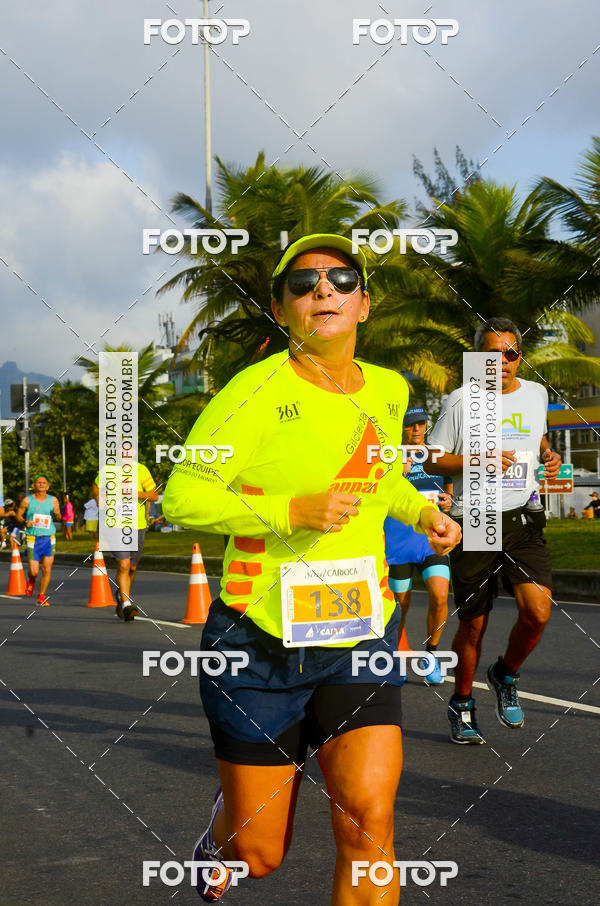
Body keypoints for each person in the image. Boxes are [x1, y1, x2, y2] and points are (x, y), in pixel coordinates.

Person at [162, 234, 461, 904]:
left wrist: (421, 515)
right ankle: (220, 839)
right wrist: (291, 508)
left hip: (360, 638)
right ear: (281, 308)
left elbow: (378, 478)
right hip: (257, 645)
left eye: (341, 279)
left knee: (370, 820)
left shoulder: (387, 388)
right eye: (302, 283)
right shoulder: (253, 393)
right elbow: (183, 495)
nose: (322, 289)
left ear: (363, 305)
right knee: (259, 854)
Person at [429, 317, 562, 744]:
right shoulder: (460, 401)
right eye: (490, 354)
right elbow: (431, 459)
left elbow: (538, 436)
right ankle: (463, 703)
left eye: (509, 353)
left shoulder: (536, 394)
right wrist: (476, 461)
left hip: (522, 516)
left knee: (538, 611)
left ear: (519, 357)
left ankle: (505, 674)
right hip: (476, 520)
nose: (500, 362)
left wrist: (549, 453)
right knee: (474, 625)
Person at [384, 406, 454, 684]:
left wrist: (449, 501)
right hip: (397, 544)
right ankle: (397, 653)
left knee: (439, 596)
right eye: (411, 425)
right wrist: (394, 473)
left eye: (421, 424)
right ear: (402, 428)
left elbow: (450, 487)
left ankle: (431, 654)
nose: (417, 430)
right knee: (400, 607)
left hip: (431, 541)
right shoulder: (389, 456)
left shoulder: (436, 454)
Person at [93, 453, 158, 622]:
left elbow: (154, 495)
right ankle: (126, 604)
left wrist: (135, 494)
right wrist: (101, 498)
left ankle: (123, 596)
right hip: (115, 525)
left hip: (137, 525)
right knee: (123, 564)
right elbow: (96, 486)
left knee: (132, 568)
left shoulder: (141, 470)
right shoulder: (108, 470)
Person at [16, 474, 62, 606]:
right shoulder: (27, 500)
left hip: (49, 537)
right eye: (38, 482)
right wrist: (25, 521)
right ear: (34, 485)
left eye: (44, 482)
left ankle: (41, 596)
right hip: (32, 537)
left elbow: (59, 517)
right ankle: (31, 579)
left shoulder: (53, 500)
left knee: (47, 569)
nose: (41, 484)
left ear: (47, 486)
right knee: (34, 571)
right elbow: (18, 515)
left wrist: (58, 513)